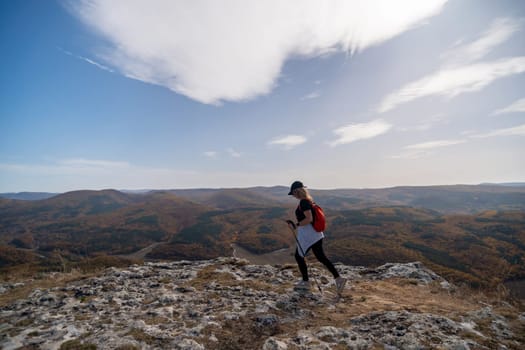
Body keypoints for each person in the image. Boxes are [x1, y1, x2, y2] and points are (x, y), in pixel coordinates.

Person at [287, 180, 346, 293]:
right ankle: (339, 279)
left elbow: (309, 219)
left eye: (293, 193)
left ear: (297, 192)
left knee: (299, 256)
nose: (293, 196)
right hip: (316, 234)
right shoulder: (308, 201)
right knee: (321, 257)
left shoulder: (304, 202)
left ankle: (305, 282)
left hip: (309, 234)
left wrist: (296, 225)